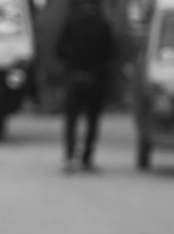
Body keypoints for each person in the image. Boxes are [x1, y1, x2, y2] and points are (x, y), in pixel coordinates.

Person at [56, 0, 117, 172]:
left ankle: (69, 157)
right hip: (95, 79)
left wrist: (70, 62)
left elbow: (59, 49)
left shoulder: (72, 23)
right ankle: (86, 159)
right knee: (92, 120)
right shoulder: (103, 25)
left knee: (71, 121)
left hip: (75, 77)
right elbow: (110, 53)